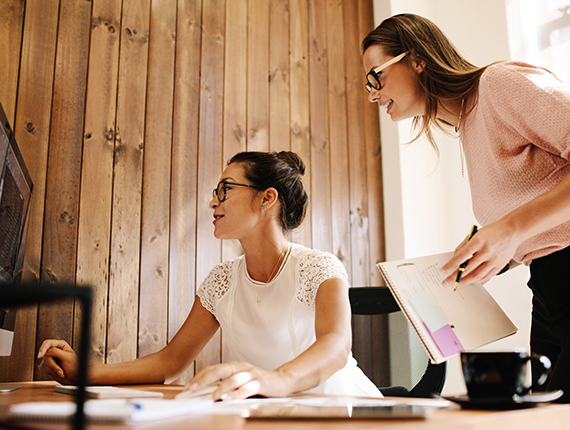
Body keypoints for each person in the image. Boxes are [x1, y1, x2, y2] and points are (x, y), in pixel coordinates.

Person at [38, 151, 382, 400]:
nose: (214, 202)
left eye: (225, 189)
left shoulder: (319, 268)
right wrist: (86, 372)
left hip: (343, 411)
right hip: (268, 415)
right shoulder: (221, 282)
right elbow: (170, 362)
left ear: (267, 198)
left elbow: (336, 346)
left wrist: (275, 381)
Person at [362, 13, 570, 401]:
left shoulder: (498, 84)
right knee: (545, 417)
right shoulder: (468, 126)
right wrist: (488, 255)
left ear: (417, 59)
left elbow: (522, 224)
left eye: (376, 77)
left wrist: (509, 230)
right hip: (548, 291)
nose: (372, 93)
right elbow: (540, 216)